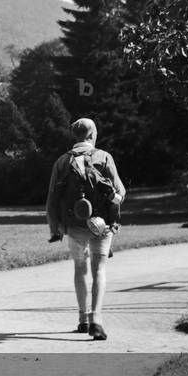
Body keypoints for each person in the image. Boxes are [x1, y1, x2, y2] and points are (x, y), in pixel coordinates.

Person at [46, 118, 125, 341]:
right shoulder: (104, 157)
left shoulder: (62, 161)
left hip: (74, 226)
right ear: (92, 135)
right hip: (101, 226)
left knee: (80, 269)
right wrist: (112, 213)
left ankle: (82, 318)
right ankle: (96, 320)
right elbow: (120, 191)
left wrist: (55, 228)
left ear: (75, 136)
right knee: (99, 269)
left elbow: (52, 199)